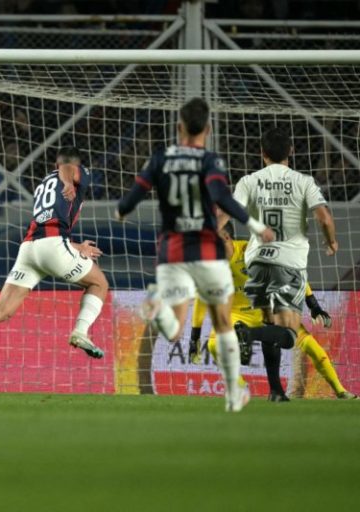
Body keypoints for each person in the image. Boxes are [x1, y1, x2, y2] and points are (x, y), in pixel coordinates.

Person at [116, 97, 275, 412]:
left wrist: (122, 210)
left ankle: (156, 307)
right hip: (207, 251)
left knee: (174, 329)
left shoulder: (160, 157)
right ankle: (233, 394)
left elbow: (133, 195)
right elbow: (222, 199)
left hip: (172, 252)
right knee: (223, 322)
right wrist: (256, 226)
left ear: (179, 127)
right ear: (208, 128)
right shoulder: (210, 161)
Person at [0, 147, 110, 386]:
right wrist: (67, 181)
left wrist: (76, 246)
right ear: (73, 164)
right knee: (99, 283)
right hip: (52, 247)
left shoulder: (43, 184)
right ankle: (80, 332)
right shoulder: (74, 173)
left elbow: (48, 229)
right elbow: (66, 170)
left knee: (3, 308)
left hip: (30, 249)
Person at [220, 126, 339, 396]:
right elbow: (324, 218)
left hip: (257, 261)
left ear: (262, 154)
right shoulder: (304, 181)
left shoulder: (248, 181)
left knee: (269, 324)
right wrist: (331, 241)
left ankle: (275, 390)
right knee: (288, 334)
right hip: (288, 262)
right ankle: (246, 335)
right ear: (291, 152)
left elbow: (225, 214)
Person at [189, 223, 356, 401]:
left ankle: (340, 390)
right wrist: (195, 336)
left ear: (226, 238)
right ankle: (238, 386)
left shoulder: (251, 252)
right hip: (237, 315)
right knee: (214, 345)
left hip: (269, 311)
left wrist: (313, 304)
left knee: (312, 346)